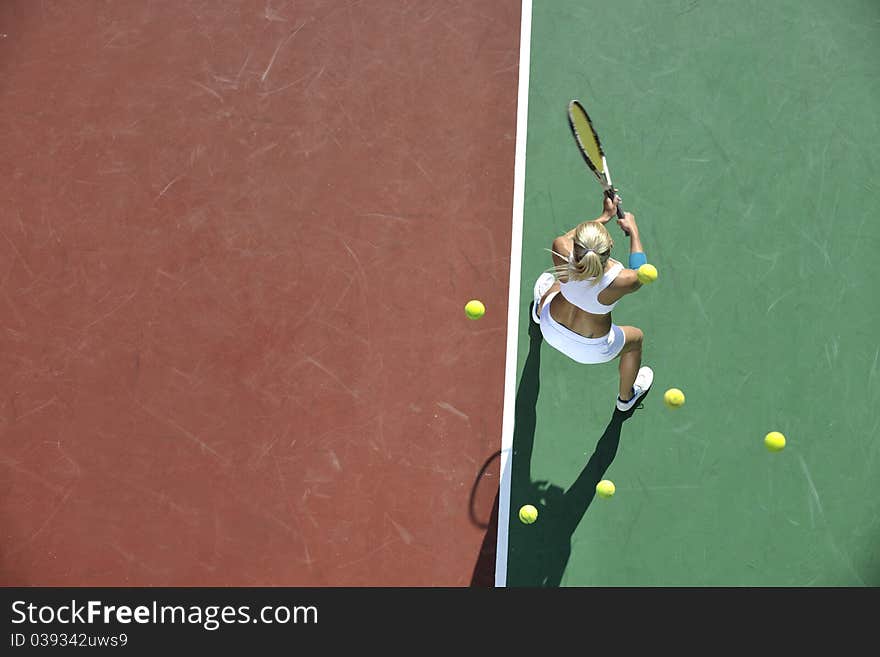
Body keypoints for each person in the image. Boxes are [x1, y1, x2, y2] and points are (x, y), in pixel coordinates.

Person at [531, 194, 653, 412]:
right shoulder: (620, 280)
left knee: (561, 279)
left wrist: (604, 217)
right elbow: (641, 273)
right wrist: (633, 229)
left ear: (576, 246)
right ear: (611, 246)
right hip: (592, 352)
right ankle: (626, 398)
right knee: (636, 339)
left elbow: (568, 239)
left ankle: (538, 311)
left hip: (549, 328)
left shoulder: (560, 248)